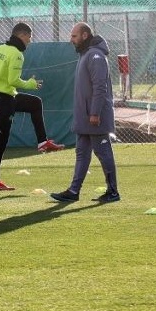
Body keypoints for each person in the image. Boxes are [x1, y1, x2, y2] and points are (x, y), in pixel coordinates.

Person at [0, 22, 63, 192]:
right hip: (4, 102)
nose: (29, 41)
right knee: (0, 141)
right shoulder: (17, 54)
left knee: (35, 103)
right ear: (21, 35)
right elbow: (13, 80)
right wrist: (30, 84)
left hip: (1, 97)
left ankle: (42, 142)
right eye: (29, 37)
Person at [50, 23, 120, 203]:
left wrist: (95, 113)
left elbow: (100, 87)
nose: (71, 40)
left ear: (85, 35)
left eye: (74, 36)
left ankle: (113, 192)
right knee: (82, 153)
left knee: (103, 152)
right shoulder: (85, 55)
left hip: (95, 117)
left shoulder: (95, 56)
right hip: (84, 117)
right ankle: (74, 191)